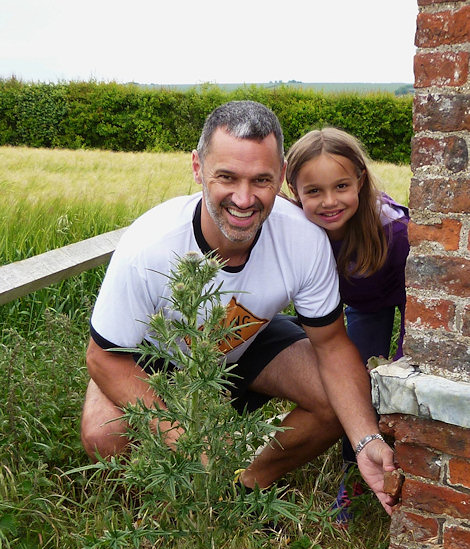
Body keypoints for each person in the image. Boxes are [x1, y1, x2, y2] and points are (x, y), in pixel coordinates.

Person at [81, 101, 396, 516]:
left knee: (336, 400)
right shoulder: (149, 244)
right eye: (226, 177)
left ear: (281, 175)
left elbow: (333, 346)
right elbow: (102, 356)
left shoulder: (304, 238)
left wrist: (366, 440)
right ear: (198, 167)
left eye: (261, 180)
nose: (244, 199)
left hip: (246, 339)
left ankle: (244, 486)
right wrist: (187, 435)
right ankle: (158, 506)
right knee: (105, 435)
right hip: (153, 358)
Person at [285, 127, 409, 523]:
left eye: (341, 185)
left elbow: (419, 295)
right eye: (314, 191)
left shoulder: (395, 231)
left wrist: (404, 357)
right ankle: (354, 473)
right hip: (359, 304)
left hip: (406, 298)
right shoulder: (296, 228)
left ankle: (405, 466)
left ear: (360, 179)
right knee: (354, 388)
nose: (330, 201)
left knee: (400, 388)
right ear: (294, 191)